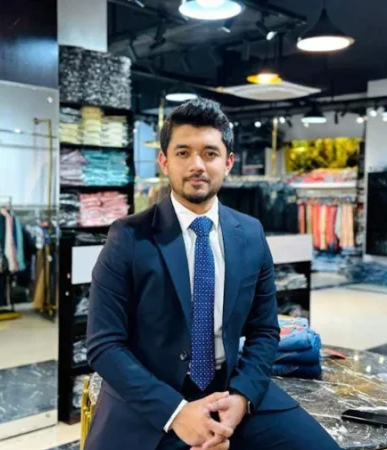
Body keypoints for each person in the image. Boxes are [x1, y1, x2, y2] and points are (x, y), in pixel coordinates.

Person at [85, 98, 341, 450]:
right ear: (164, 161)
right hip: (151, 398)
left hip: (230, 390)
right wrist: (177, 413)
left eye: (209, 153)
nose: (197, 165)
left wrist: (242, 396)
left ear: (228, 162)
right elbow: (103, 343)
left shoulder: (249, 233)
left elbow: (264, 330)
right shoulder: (128, 236)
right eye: (183, 153)